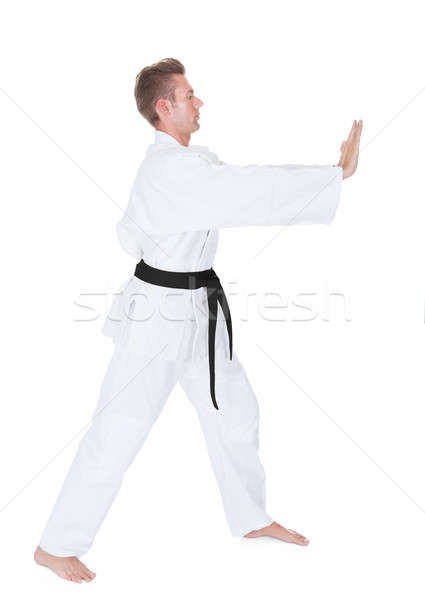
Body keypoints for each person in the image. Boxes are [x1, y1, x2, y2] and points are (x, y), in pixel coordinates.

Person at [34, 58, 362, 583]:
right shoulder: (172, 169)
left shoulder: (188, 164)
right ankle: (55, 546)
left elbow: (218, 192)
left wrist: (328, 177)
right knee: (118, 430)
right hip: (158, 318)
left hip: (197, 311)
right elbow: (247, 190)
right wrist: (332, 176)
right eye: (190, 95)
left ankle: (250, 518)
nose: (199, 101)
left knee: (235, 411)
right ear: (165, 107)